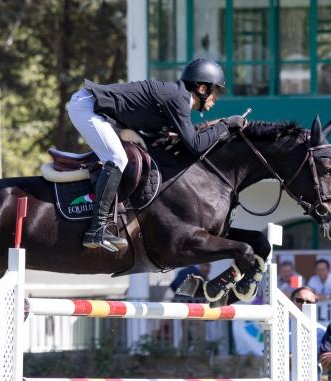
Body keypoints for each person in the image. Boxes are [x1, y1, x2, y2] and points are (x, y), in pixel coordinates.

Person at [67, 58, 247, 252]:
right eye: (216, 92)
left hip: (98, 111)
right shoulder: (178, 98)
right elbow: (195, 145)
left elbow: (182, 139)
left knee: (124, 156)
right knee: (117, 158)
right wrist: (226, 124)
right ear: (202, 89)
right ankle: (96, 230)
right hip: (87, 107)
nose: (216, 99)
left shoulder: (177, 98)